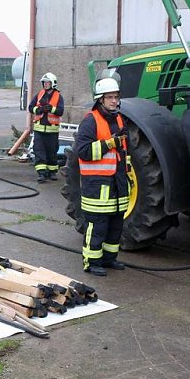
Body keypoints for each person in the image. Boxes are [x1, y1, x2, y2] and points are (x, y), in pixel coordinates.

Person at [73, 77, 130, 277]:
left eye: (116, 97)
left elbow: (125, 151)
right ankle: (92, 262)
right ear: (100, 99)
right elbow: (83, 151)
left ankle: (109, 259)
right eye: (109, 97)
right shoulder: (91, 120)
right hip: (97, 186)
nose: (114, 101)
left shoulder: (119, 119)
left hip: (118, 184)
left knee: (115, 225)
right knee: (97, 226)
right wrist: (109, 143)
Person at [28, 72, 64, 183]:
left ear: (53, 83)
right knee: (39, 152)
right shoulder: (39, 95)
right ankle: (42, 173)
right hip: (39, 130)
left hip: (52, 131)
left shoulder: (58, 97)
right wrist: (39, 110)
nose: (45, 84)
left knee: (52, 152)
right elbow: (31, 107)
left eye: (48, 82)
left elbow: (60, 111)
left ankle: (52, 172)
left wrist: (50, 108)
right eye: (44, 82)